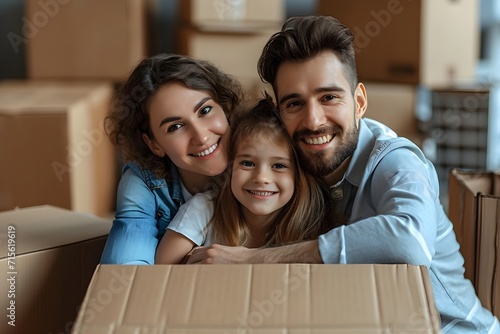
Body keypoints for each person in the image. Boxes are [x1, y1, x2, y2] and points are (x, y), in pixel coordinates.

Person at [185, 15, 500, 333]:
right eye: (294, 103)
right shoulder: (294, 166)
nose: (313, 120)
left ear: (359, 101)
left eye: (329, 97)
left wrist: (249, 261)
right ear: (278, 112)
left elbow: (410, 241)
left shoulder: (395, 161)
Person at [99, 53, 244, 265]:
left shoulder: (266, 155)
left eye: (205, 110)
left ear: (225, 108)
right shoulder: (143, 183)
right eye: (175, 127)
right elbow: (126, 271)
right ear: (154, 144)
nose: (202, 137)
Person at [155, 96, 335, 264]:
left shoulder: (314, 224)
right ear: (230, 167)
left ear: (299, 175)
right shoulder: (203, 209)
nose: (262, 178)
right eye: (247, 163)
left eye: (279, 166)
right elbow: (159, 274)